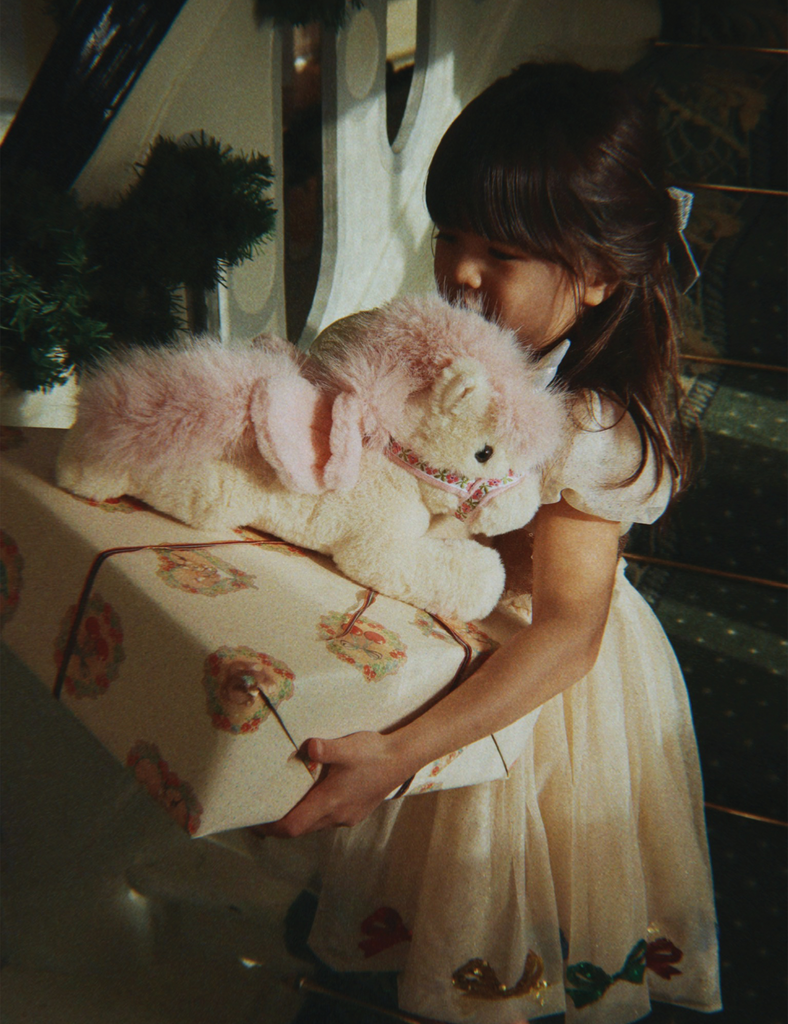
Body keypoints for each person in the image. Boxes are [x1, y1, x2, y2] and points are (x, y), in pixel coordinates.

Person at [258, 62, 722, 1024]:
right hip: (431, 633)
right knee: (374, 920)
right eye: (452, 237)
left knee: (479, 921)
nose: (461, 270)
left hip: (522, 701)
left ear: (596, 274)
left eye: (501, 252)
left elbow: (565, 633)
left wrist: (403, 753)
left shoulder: (590, 424)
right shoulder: (448, 347)